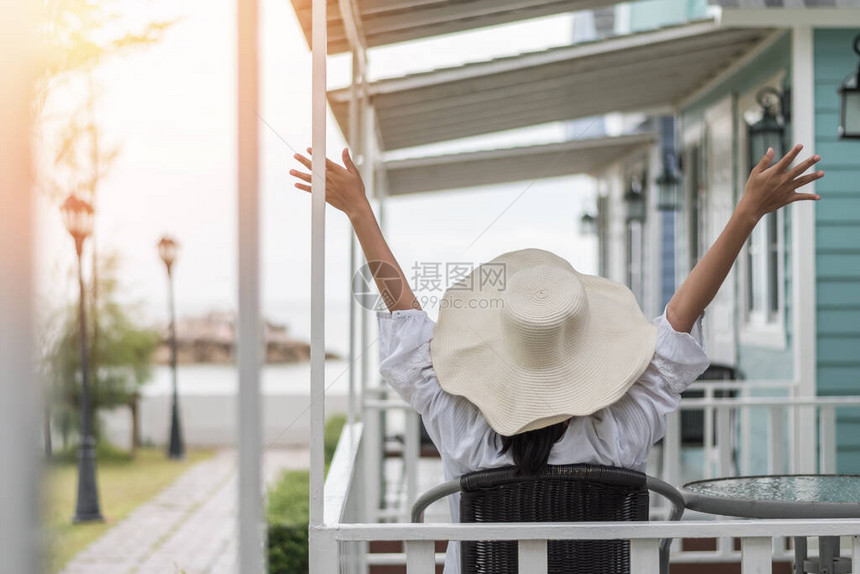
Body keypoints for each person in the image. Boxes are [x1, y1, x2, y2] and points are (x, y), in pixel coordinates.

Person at [290, 143, 822, 573]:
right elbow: (680, 322)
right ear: (586, 347)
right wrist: (746, 214)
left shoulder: (462, 428)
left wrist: (358, 209)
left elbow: (405, 323)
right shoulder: (616, 432)